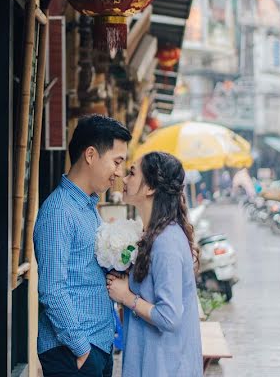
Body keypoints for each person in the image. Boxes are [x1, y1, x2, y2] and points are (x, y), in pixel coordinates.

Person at [34, 114, 131, 377]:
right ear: (90, 155)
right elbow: (52, 289)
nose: (119, 172)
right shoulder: (59, 211)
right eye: (117, 161)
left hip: (97, 345)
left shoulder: (88, 207)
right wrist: (81, 350)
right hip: (72, 352)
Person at [105, 152, 203, 377]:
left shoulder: (166, 242)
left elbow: (169, 316)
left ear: (149, 188)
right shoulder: (152, 234)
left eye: (132, 173)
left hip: (166, 366)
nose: (125, 179)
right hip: (151, 361)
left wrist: (126, 297)